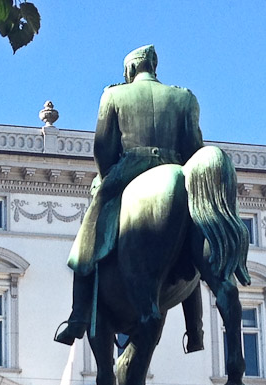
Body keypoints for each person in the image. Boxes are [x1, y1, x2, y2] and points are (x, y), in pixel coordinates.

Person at [55, 45, 205, 351]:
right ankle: (195, 329)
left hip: (129, 168)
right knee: (194, 239)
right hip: (176, 166)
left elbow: (103, 148)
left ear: (130, 70)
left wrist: (106, 178)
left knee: (89, 237)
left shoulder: (114, 95)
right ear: (154, 66)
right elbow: (195, 148)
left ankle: (79, 315)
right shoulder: (183, 97)